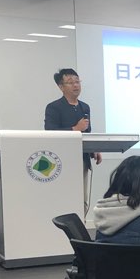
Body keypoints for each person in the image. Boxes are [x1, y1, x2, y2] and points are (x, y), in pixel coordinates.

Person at [45, 68, 101, 209]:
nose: (76, 85)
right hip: (61, 160)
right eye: (70, 82)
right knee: (65, 198)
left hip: (82, 159)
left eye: (77, 81)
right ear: (61, 87)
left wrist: (94, 149)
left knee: (82, 199)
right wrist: (74, 129)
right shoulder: (54, 107)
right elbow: (50, 132)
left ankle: (81, 222)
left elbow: (87, 132)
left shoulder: (85, 107)